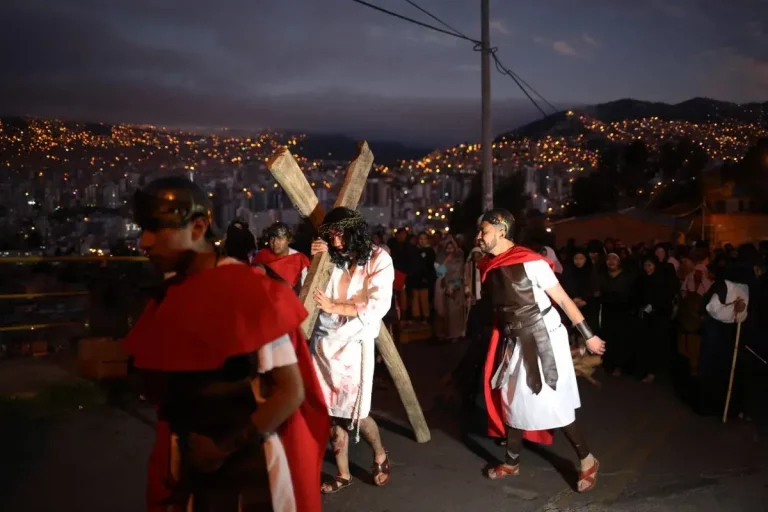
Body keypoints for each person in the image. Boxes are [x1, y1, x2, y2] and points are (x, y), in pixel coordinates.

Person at [123, 177, 328, 512]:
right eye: (143, 228)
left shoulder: (249, 291)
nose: (145, 242)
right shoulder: (166, 297)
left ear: (198, 226)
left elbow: (290, 391)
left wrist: (225, 447)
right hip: (186, 471)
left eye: (157, 228)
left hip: (249, 474)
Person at [475, 209, 605, 493]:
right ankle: (512, 461)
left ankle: (587, 460)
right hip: (514, 340)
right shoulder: (488, 265)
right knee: (512, 399)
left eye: (483, 231)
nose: (479, 237)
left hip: (543, 338)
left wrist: (589, 336)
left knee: (554, 402)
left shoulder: (531, 263)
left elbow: (562, 299)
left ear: (501, 230)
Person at [308, 207, 394, 494]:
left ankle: (379, 454)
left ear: (355, 231)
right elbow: (309, 288)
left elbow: (378, 305)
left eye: (339, 234)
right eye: (330, 235)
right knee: (332, 412)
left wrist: (337, 307)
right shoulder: (329, 255)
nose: (334, 241)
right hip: (323, 342)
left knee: (355, 412)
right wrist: (316, 260)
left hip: (354, 344)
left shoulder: (379, 259)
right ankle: (343, 474)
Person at [252, 221, 310, 291]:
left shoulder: (300, 259)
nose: (275, 243)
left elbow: (305, 288)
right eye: (272, 238)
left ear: (288, 240)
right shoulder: (261, 255)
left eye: (280, 238)